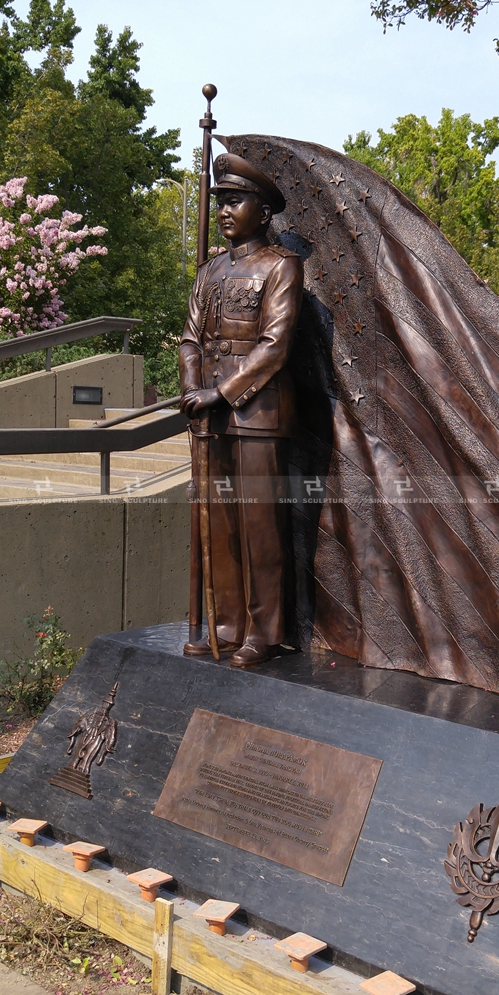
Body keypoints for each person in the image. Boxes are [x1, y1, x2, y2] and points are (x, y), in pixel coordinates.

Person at [179, 152, 303, 668]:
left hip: (257, 415)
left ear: (264, 209)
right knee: (219, 527)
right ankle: (225, 626)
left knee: (258, 526)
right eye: (220, 202)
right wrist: (192, 390)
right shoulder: (208, 272)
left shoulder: (281, 267)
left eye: (235, 200)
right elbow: (189, 338)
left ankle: (264, 632)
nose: (225, 210)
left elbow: (274, 346)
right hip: (208, 413)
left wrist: (220, 393)